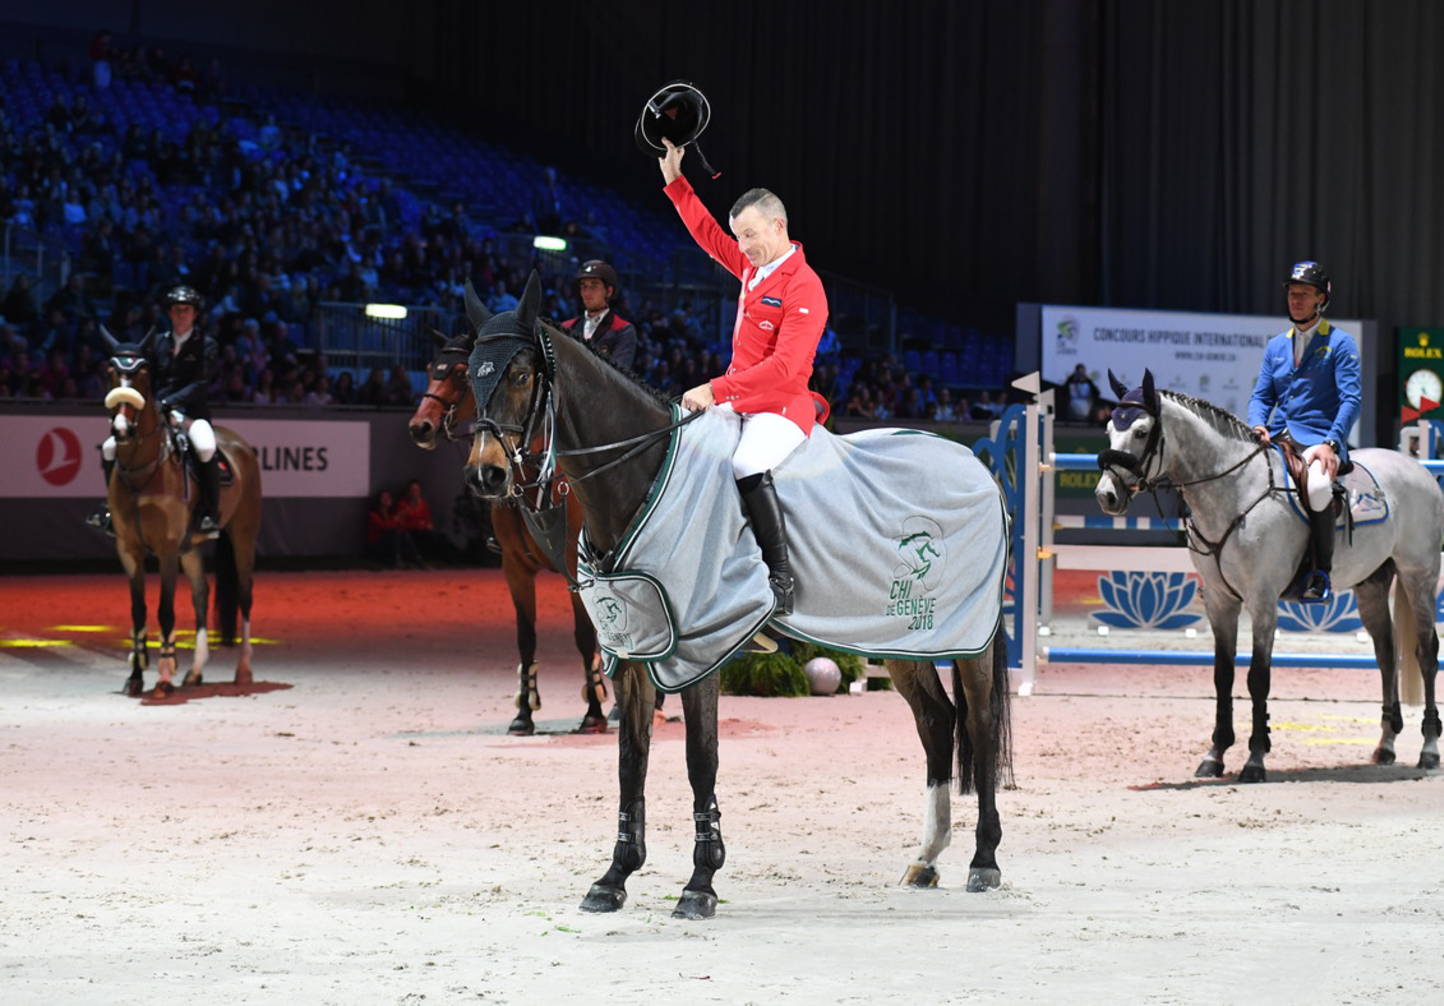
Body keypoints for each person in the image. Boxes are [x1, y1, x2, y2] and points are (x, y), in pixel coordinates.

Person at [658, 138, 829, 615]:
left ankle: (781, 580)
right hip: (741, 399)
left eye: (752, 235)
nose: (744, 246)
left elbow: (785, 370)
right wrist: (675, 180)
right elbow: (708, 234)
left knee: (744, 463)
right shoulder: (754, 267)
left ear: (778, 226)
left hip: (782, 405)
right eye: (741, 238)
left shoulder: (804, 286)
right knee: (686, 448)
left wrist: (716, 389)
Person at [1248, 260, 1361, 601]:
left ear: (1321, 299)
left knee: (1318, 486)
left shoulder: (1340, 343)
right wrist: (1257, 423)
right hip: (1280, 436)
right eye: (1291, 294)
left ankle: (1319, 573)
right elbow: (1261, 396)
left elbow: (1351, 400)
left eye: (1303, 294)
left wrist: (1331, 441)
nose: (1295, 300)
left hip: (1320, 438)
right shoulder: (1275, 346)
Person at [86, 285, 220, 536]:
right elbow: (147, 378)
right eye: (176, 310)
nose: (181, 314)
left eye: (186, 310)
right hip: (156, 411)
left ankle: (209, 513)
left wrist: (169, 403)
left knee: (205, 446)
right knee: (109, 447)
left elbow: (200, 384)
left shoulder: (206, 344)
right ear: (169, 313)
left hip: (191, 412)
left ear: (195, 314)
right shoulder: (157, 343)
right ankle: (111, 509)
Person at [560, 260, 638, 372]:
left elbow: (617, 376)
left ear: (609, 291)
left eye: (594, 286)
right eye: (584, 287)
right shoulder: (567, 327)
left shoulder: (623, 330)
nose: (587, 293)